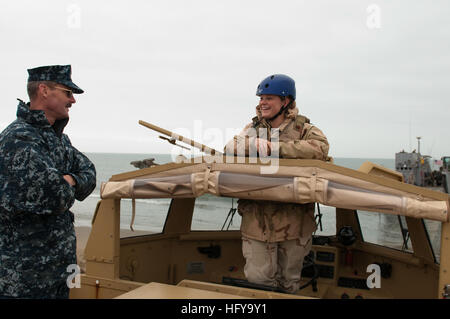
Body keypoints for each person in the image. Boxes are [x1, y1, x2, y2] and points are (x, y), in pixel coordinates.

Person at [225, 74, 329, 293]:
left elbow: (320, 149)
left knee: (289, 284)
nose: (262, 102)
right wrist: (254, 144)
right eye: (261, 97)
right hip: (257, 224)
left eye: (269, 98)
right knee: (258, 284)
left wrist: (276, 148)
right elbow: (230, 147)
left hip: (294, 224)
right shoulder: (252, 129)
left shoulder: (304, 130)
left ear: (286, 102)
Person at [0, 65, 96, 299]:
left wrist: (69, 179)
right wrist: (65, 184)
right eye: (67, 92)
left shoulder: (59, 140)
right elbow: (55, 197)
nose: (73, 100)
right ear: (44, 90)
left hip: (57, 275)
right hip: (23, 281)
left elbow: (89, 172)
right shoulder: (18, 139)